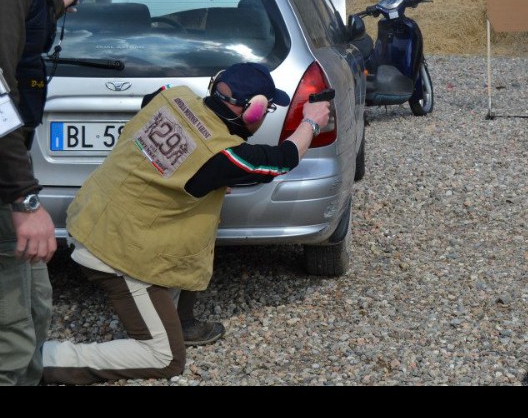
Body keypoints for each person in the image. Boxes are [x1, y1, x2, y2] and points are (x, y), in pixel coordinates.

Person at [41, 62, 331, 385]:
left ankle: (180, 320)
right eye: (266, 108)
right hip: (110, 250)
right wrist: (311, 121)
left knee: (197, 216)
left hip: (89, 217)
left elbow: (152, 118)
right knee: (165, 357)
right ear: (253, 112)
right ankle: (41, 360)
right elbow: (284, 159)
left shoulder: (171, 95)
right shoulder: (223, 155)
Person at [0, 0, 85, 386]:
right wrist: (24, 199)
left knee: (33, 315)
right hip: (4, 184)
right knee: (10, 342)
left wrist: (50, 3)